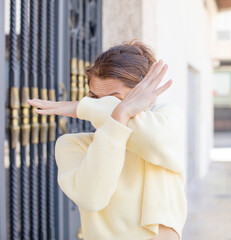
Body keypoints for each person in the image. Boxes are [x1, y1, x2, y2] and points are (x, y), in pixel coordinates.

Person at [27, 39, 187, 240]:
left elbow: (154, 141)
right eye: (94, 99)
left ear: (143, 94)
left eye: (114, 100)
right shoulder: (73, 145)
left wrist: (82, 107)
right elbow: (92, 199)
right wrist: (120, 113)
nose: (103, 107)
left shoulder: (167, 119)